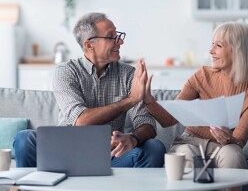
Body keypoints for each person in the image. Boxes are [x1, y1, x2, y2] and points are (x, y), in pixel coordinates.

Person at [13, 12, 166, 168]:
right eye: (111, 36)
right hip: (63, 153)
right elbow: (81, 121)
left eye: (118, 35)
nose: (120, 41)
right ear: (89, 45)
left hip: (111, 158)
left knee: (154, 148)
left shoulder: (128, 74)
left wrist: (133, 138)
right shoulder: (66, 71)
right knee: (24, 139)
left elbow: (146, 124)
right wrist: (131, 100)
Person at [143, 22, 248, 169]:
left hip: (225, 147)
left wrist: (228, 139)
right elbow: (168, 119)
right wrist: (148, 100)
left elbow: (239, 140)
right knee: (184, 155)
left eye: (218, 46)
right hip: (190, 141)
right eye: (212, 44)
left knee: (232, 156)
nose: (211, 51)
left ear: (237, 51)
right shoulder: (202, 76)